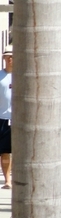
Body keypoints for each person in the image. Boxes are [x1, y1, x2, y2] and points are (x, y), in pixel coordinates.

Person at [0, 47, 12, 189]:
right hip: (2, 118)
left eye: (12, 56)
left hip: (19, 119)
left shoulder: (22, 75)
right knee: (4, 151)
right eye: (7, 56)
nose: (10, 59)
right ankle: (7, 180)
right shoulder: (0, 76)